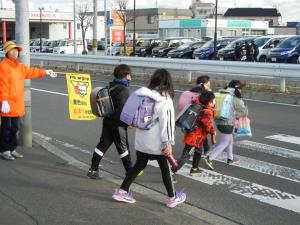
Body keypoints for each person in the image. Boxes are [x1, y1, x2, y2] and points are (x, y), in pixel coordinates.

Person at [112, 69, 186, 208]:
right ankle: (172, 197)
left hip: (141, 142)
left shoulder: (142, 94)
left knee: (138, 166)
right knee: (165, 169)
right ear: (168, 82)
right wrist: (168, 143)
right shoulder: (165, 99)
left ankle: (122, 191)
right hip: (157, 144)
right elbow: (167, 123)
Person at [0, 41, 57, 161]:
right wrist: (4, 100)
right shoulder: (3, 66)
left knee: (14, 128)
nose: (15, 53)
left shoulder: (19, 67)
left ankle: (11, 148)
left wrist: (45, 72)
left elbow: (31, 71)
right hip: (7, 104)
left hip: (16, 104)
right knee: (6, 128)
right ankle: (4, 150)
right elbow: (2, 85)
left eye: (16, 51)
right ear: (7, 52)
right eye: (12, 50)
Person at [87, 64, 134, 179]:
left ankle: (93, 170)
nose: (130, 78)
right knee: (123, 148)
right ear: (125, 75)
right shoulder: (123, 90)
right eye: (129, 75)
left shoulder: (111, 86)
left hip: (107, 121)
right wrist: (129, 122)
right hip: (118, 124)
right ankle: (130, 173)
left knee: (102, 145)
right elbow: (123, 110)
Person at [204, 80, 248, 170]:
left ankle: (230, 158)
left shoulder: (219, 94)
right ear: (237, 88)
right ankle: (210, 158)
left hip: (218, 121)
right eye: (240, 88)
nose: (241, 90)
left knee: (229, 140)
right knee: (224, 142)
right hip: (227, 123)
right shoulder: (234, 97)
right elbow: (244, 112)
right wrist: (238, 115)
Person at [176, 76, 212, 176]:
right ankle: (173, 169)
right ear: (204, 83)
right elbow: (205, 119)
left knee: (197, 149)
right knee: (187, 152)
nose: (210, 85)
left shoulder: (192, 92)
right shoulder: (202, 95)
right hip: (196, 130)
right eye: (209, 83)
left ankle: (194, 168)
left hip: (189, 125)